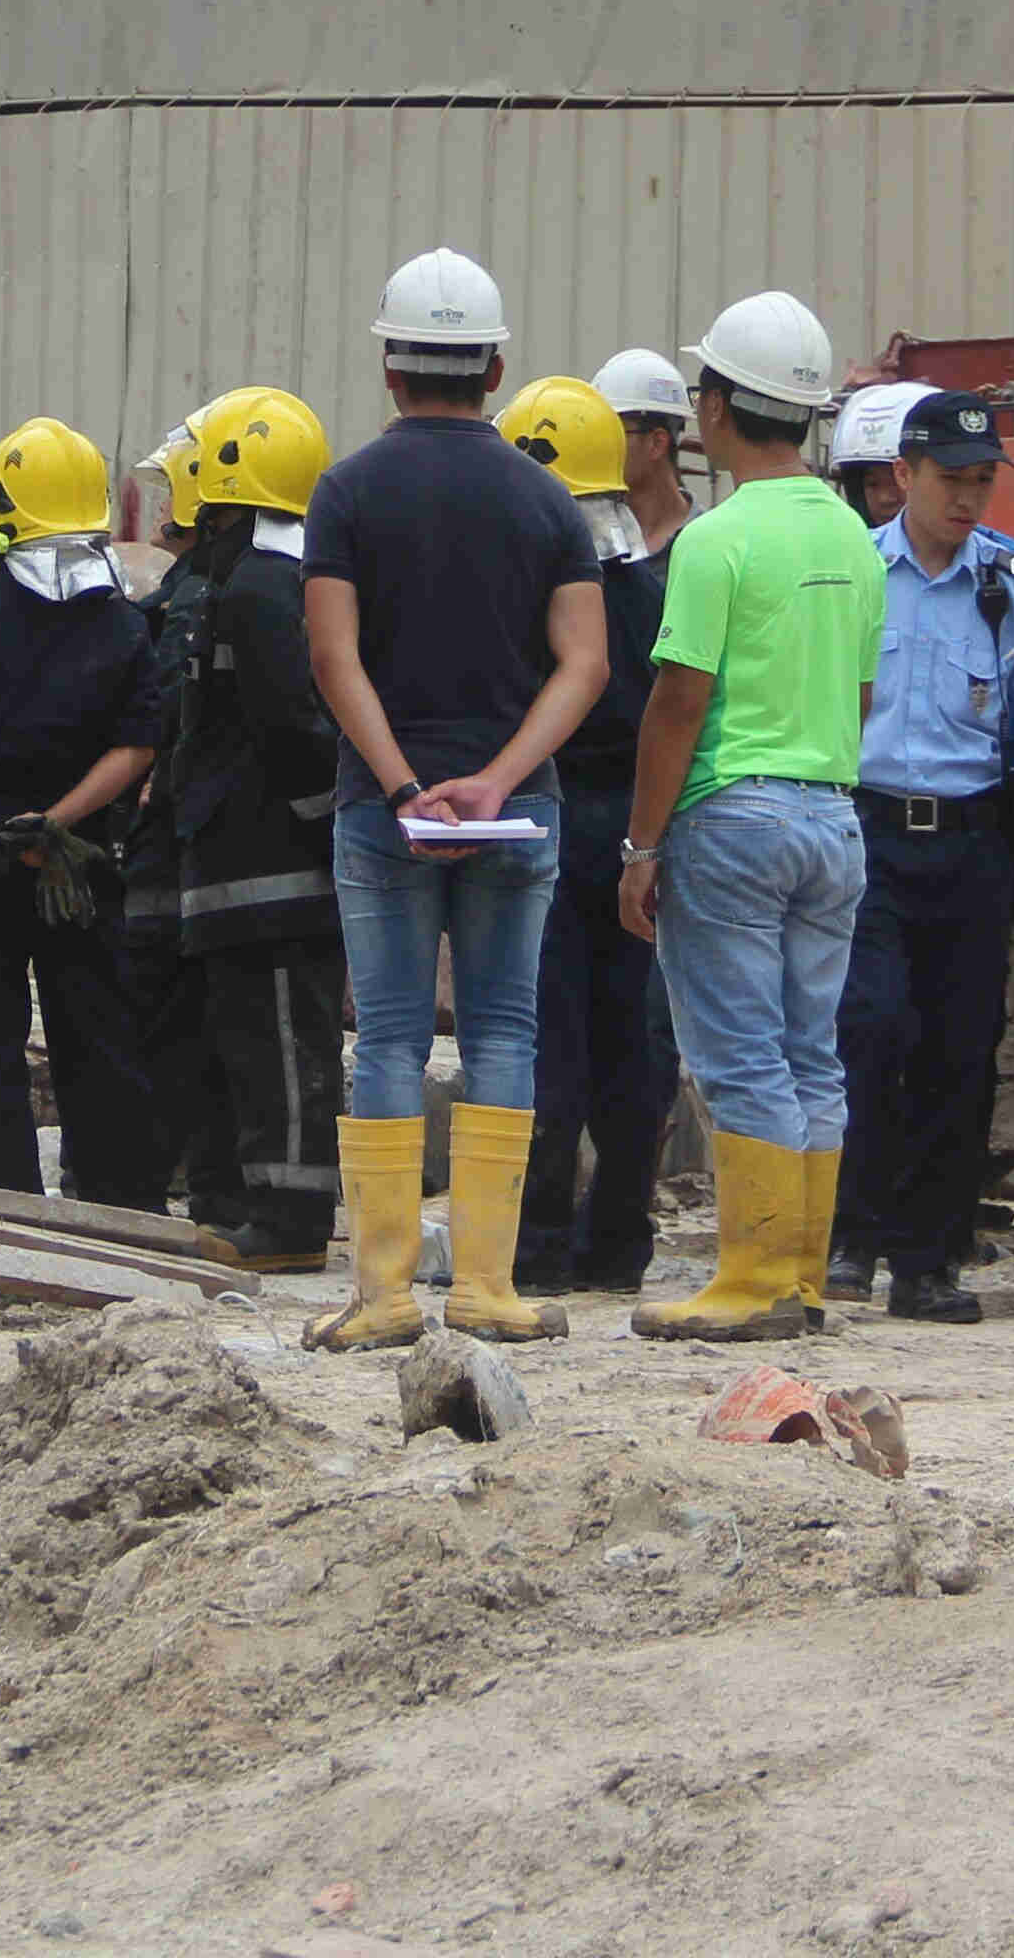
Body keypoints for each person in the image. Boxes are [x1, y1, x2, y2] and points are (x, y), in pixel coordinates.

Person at [299, 248, 607, 1349]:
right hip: (519, 813)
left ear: (390, 366)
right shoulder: (545, 497)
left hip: (384, 814)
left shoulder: (346, 492)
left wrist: (406, 788)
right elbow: (585, 663)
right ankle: (487, 1286)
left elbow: (336, 660)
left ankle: (381, 1296)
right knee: (504, 1033)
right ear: (497, 366)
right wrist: (499, 779)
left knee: (384, 1038)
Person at [618, 292, 878, 1341]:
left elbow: (679, 699)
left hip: (734, 815)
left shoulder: (717, 538)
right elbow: (861, 696)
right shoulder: (857, 538)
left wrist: (642, 844)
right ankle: (803, 1278)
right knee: (811, 1052)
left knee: (740, 1058)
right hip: (833, 813)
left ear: (719, 406)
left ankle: (754, 1278)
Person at [828, 389, 1014, 1322]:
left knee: (962, 1045)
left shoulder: (1012, 582)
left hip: (972, 837)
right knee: (866, 1027)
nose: (969, 499)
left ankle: (929, 1259)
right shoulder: (851, 569)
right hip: (866, 830)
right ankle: (847, 1235)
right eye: (952, 479)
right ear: (904, 475)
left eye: (983, 482)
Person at [0, 421, 170, 1200]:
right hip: (79, 858)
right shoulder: (123, 624)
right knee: (98, 1035)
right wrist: (61, 818)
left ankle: (10, 1212)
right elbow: (138, 747)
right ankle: (121, 1211)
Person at [146, 386, 347, 1271]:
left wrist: (313, 824)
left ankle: (293, 1221)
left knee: (281, 1043)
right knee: (252, 1043)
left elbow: (293, 727)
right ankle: (255, 1205)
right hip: (243, 860)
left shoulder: (264, 585)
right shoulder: (252, 575)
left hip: (270, 866)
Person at [498, 374, 677, 1298]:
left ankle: (536, 1245)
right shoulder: (650, 587)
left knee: (546, 1035)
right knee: (631, 1043)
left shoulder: (533, 597)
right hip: (636, 828)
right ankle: (619, 1244)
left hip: (549, 818)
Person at [108, 409, 240, 1231]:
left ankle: (155, 1187)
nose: (161, 509)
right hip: (203, 844)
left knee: (165, 1023)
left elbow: (157, 721)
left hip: (174, 852)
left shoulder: (193, 601)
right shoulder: (214, 588)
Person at [593, 348, 702, 551]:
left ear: (657, 443)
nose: (597, 447)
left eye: (610, 434)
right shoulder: (591, 543)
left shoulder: (706, 543)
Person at [826, 380, 924, 532]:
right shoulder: (852, 551)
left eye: (898, 481)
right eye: (872, 484)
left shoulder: (973, 552)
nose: (885, 498)